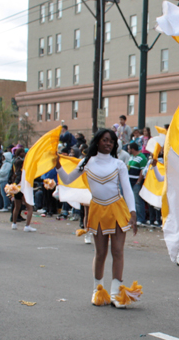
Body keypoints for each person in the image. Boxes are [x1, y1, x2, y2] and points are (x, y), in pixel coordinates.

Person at [56, 129, 141, 308]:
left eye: (111, 141)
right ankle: (98, 290)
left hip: (117, 209)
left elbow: (127, 189)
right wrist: (57, 165)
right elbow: (67, 179)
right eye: (105, 140)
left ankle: (116, 294)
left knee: (117, 251)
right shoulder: (87, 162)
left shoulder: (119, 164)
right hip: (97, 210)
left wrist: (133, 212)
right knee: (100, 253)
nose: (108, 143)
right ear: (97, 141)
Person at [7, 150, 35, 232]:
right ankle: (27, 226)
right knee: (30, 208)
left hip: (17, 190)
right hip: (23, 190)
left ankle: (14, 224)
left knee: (17, 207)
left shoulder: (15, 172)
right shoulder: (22, 173)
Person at [126, 142, 148, 226]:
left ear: (132, 149)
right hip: (130, 182)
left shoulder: (142, 157)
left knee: (138, 201)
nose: (128, 150)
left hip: (136, 182)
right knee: (132, 201)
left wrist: (138, 181)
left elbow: (143, 170)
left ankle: (140, 218)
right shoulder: (131, 157)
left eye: (129, 148)